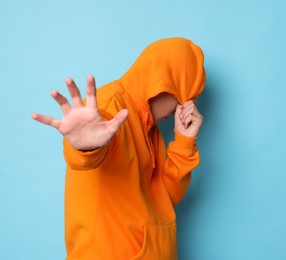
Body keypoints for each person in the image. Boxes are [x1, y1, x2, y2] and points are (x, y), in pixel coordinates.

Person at [31, 37, 206, 259]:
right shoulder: (110, 106)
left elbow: (165, 199)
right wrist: (86, 147)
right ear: (166, 82)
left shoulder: (149, 124)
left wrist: (184, 141)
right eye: (186, 96)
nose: (184, 108)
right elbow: (86, 156)